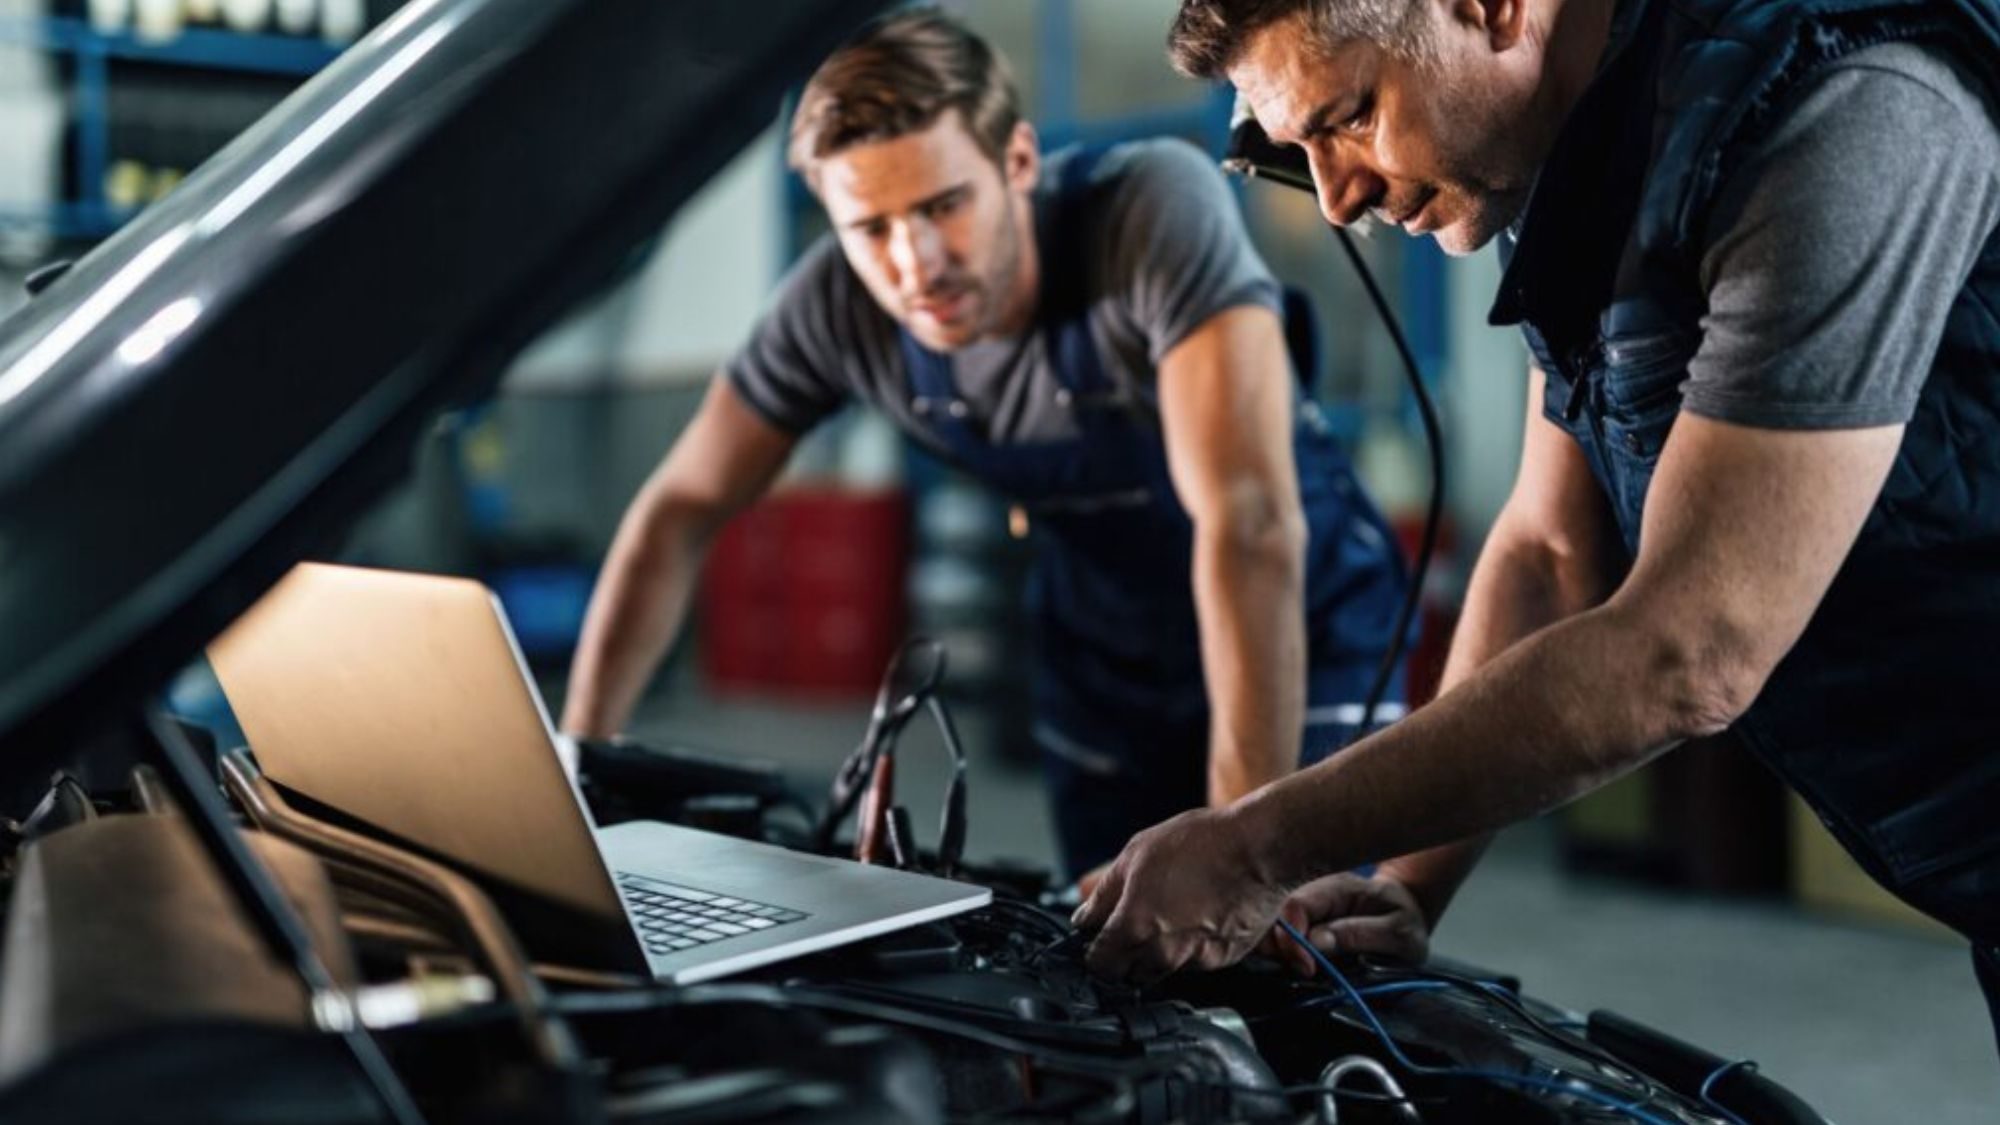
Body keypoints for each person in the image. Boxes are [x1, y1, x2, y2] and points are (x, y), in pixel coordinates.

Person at [1075, 0, 2000, 1055]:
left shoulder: (1842, 107)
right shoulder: (1577, 162)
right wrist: (1407, 889)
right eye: (1292, 151)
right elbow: (1549, 554)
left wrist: (1256, 845)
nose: (1334, 200)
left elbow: (1690, 647)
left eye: (1348, 117)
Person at [560, 8, 1408, 884]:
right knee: (1116, 956)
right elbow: (679, 511)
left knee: (1303, 949)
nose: (915, 261)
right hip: (1105, 647)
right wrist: (581, 765)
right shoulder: (833, 309)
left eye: (943, 205)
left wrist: (1240, 851)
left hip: (1300, 612)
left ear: (1019, 163)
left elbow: (1248, 521)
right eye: (873, 228)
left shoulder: (1148, 213)